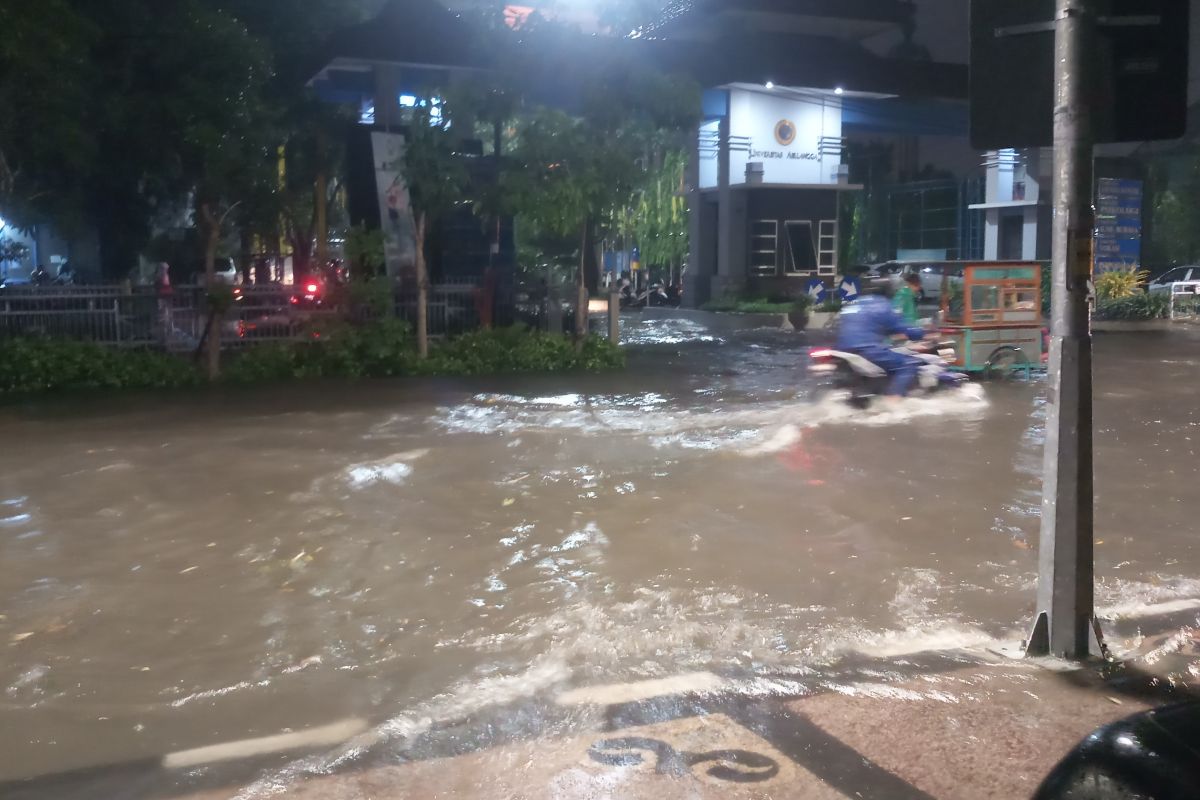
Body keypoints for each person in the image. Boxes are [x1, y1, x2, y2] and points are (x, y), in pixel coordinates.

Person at [836, 279, 926, 398]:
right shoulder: (884, 306)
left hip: (841, 349)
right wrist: (922, 332)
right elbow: (904, 329)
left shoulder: (853, 304)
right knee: (909, 364)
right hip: (868, 350)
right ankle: (893, 402)